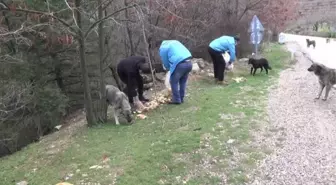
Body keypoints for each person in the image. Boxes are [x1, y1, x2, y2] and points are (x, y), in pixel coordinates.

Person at [156, 40, 193, 104]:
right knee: (183, 81)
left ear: (159, 46)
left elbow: (165, 60)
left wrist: (167, 68)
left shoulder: (163, 47)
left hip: (180, 64)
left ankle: (176, 99)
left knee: (173, 81)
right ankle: (181, 98)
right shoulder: (175, 42)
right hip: (189, 62)